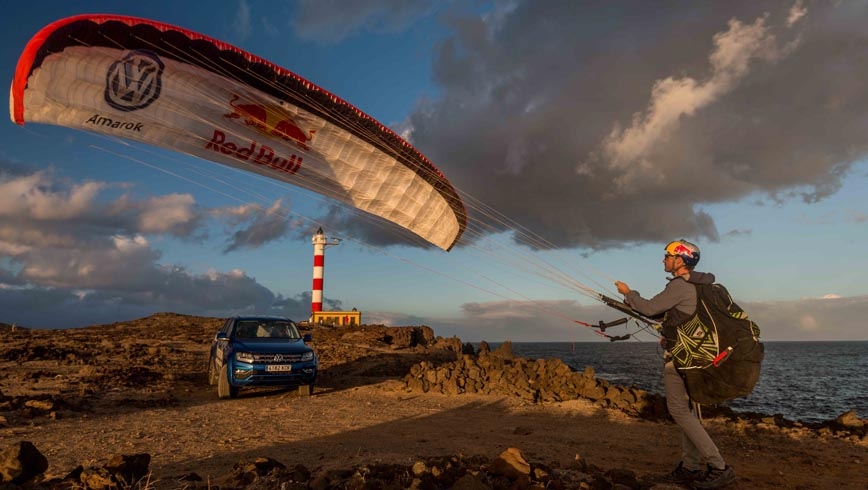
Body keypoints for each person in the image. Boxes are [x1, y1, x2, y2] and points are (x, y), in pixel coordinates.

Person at [614, 239, 737, 489]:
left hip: (682, 360)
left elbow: (649, 309)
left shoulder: (681, 286)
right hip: (696, 359)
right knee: (687, 414)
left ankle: (719, 466)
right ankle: (690, 466)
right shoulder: (699, 286)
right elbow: (674, 316)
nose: (664, 260)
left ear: (680, 260)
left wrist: (628, 293)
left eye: (667, 256)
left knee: (680, 411)